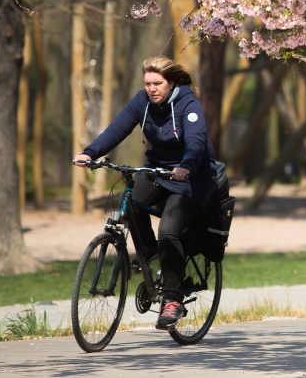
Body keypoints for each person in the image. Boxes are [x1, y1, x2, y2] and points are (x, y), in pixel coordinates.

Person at [73, 56, 217, 330]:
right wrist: (90, 152)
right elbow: (116, 129)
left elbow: (197, 141)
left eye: (157, 83)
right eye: (147, 83)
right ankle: (150, 252)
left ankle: (172, 300)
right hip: (157, 171)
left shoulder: (188, 103)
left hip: (191, 177)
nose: (151, 88)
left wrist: (186, 165)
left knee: (169, 231)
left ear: (171, 81)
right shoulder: (142, 102)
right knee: (130, 204)